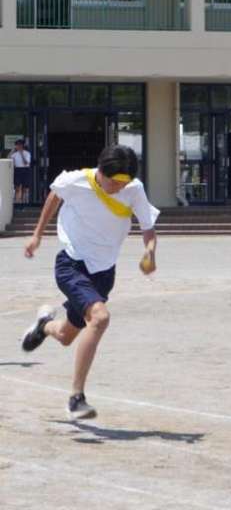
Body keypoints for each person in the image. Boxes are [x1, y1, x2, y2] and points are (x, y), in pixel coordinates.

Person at [21, 145, 159, 420]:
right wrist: (37, 235)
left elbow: (148, 228)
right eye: (115, 183)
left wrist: (150, 252)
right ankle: (76, 398)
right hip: (72, 264)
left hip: (104, 273)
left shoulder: (134, 189)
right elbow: (54, 195)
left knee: (66, 336)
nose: (119, 188)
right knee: (100, 318)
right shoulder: (76, 181)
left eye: (124, 183)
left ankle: (44, 325)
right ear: (101, 173)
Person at [9, 139, 31, 204]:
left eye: (20, 145)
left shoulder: (27, 153)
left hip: (25, 170)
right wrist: (12, 150)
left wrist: (21, 154)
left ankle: (24, 201)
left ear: (22, 145)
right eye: (17, 145)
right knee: (17, 186)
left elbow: (26, 163)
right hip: (17, 170)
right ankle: (17, 201)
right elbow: (9, 160)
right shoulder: (14, 154)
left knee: (25, 187)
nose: (19, 146)